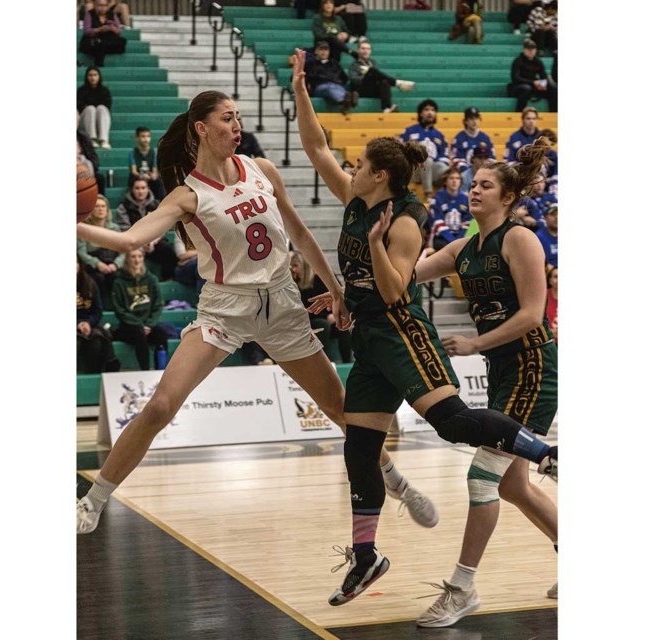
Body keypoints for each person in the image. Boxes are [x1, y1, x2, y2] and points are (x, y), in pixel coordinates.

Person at [76, 91, 437, 536]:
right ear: (202, 129)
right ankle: (93, 502)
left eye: (238, 117)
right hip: (225, 307)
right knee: (161, 406)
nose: (236, 125)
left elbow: (301, 235)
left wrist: (335, 289)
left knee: (340, 407)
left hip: (282, 302)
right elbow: (130, 241)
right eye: (227, 119)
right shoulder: (188, 196)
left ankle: (397, 482)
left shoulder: (261, 169)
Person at [292, 50, 558, 607]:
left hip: (401, 331)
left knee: (456, 426)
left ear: (379, 174)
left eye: (359, 163)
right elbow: (316, 146)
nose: (350, 166)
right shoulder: (360, 200)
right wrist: (299, 87)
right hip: (368, 335)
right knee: (359, 447)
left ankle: (546, 456)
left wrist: (370, 254)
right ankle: (366, 557)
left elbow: (396, 290)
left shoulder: (406, 221)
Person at [412, 138, 559, 627]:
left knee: (482, 477)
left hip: (533, 366)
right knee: (514, 485)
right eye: (473, 184)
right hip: (504, 371)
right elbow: (407, 276)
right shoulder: (462, 247)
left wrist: (475, 343)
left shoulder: (519, 240)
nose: (474, 191)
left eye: (485, 185)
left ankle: (462, 587)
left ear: (508, 197)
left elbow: (533, 315)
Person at [290, 249, 352, 363]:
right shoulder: (294, 284)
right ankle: (325, 361)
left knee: (344, 323)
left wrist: (334, 314)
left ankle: (347, 361)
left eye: (295, 266)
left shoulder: (321, 278)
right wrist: (326, 317)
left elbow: (340, 295)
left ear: (304, 266)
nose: (293, 270)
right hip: (311, 320)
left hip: (329, 315)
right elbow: (302, 310)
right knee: (322, 325)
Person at [112, 248, 169, 370]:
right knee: (139, 333)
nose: (136, 260)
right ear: (127, 259)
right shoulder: (119, 282)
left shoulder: (151, 279)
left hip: (148, 326)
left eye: (139, 256)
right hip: (128, 328)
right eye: (133, 256)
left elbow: (158, 305)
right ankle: (145, 371)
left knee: (161, 334)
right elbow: (119, 310)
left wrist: (149, 324)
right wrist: (140, 325)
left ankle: (161, 371)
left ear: (143, 258)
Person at [78, 194, 126, 310]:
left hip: (112, 263)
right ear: (91, 210)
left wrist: (116, 264)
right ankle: (102, 308)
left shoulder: (115, 228)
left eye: (103, 206)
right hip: (93, 265)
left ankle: (120, 308)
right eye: (97, 206)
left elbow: (123, 250)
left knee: (116, 276)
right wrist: (97, 264)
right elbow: (82, 252)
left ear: (107, 209)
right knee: (98, 278)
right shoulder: (85, 228)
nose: (100, 209)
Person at [400, 99, 451, 200]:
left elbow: (445, 157)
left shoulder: (440, 136)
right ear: (420, 113)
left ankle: (449, 199)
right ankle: (428, 194)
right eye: (426, 110)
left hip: (432, 169)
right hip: (414, 169)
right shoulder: (409, 131)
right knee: (426, 159)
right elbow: (400, 151)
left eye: (433, 110)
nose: (430, 112)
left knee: (449, 172)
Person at [347, 40, 415, 114]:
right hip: (361, 90)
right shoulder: (354, 65)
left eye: (368, 49)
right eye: (363, 48)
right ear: (358, 50)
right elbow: (354, 80)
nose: (365, 51)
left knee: (384, 82)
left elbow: (377, 77)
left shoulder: (373, 62)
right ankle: (397, 83)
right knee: (372, 70)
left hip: (373, 89)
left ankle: (386, 109)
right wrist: (367, 76)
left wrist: (372, 76)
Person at [77, 256, 119, 374]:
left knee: (97, 341)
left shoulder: (90, 283)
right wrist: (78, 324)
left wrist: (88, 323)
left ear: (79, 264)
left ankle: (95, 377)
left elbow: (97, 310)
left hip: (90, 324)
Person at [451, 107, 495, 189]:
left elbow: (492, 158)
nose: (474, 121)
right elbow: (456, 159)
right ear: (465, 121)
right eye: (471, 118)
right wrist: (470, 171)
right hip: (467, 173)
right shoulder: (459, 138)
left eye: (476, 118)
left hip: (484, 172)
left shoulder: (485, 138)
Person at [507, 40, 556, 113]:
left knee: (553, 89)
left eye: (533, 49)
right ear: (524, 50)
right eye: (528, 49)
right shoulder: (518, 61)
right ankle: (519, 113)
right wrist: (533, 82)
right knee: (526, 88)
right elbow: (515, 78)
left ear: (536, 50)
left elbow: (543, 76)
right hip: (517, 86)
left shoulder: (538, 61)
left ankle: (554, 114)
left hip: (533, 85)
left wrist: (543, 84)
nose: (531, 51)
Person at [429, 167, 472, 251]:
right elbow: (436, 221)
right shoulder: (438, 198)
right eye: (451, 178)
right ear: (445, 181)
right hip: (441, 238)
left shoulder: (465, 199)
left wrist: (459, 239)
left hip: (460, 238)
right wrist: (452, 240)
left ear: (460, 181)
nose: (454, 181)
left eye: (457, 178)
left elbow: (468, 221)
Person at [305, 40, 353, 113]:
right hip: (320, 87)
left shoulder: (334, 63)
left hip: (336, 85)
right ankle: (345, 100)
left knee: (336, 88)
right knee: (329, 88)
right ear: (316, 51)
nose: (324, 52)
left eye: (326, 49)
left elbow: (344, 78)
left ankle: (345, 101)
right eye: (321, 49)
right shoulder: (310, 64)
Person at [79, 0, 127, 68]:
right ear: (95, 5)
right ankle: (98, 65)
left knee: (121, 41)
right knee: (99, 44)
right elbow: (87, 31)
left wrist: (112, 28)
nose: (103, 8)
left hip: (107, 39)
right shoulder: (90, 14)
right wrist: (100, 29)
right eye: (100, 5)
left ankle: (103, 46)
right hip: (93, 39)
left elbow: (119, 31)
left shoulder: (112, 14)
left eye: (105, 5)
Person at [77, 67, 113, 149]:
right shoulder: (81, 91)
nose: (92, 78)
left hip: (100, 120)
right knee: (90, 109)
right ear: (87, 77)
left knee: (101, 108)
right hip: (86, 121)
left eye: (95, 75)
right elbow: (79, 106)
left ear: (99, 76)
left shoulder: (104, 90)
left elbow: (107, 106)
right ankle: (91, 139)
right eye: (90, 75)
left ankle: (104, 140)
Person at [127, 126, 168, 197]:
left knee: (158, 181)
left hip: (149, 176)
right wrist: (142, 176)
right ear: (137, 138)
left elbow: (155, 170)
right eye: (143, 136)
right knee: (132, 178)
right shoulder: (133, 152)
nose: (146, 139)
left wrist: (153, 175)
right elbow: (134, 171)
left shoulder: (154, 152)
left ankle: (157, 202)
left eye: (148, 136)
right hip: (138, 176)